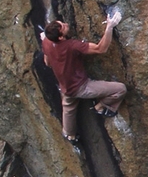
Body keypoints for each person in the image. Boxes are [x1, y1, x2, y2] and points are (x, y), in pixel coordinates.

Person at [42, 12, 127, 145]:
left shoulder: (46, 41)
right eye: (63, 26)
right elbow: (100, 49)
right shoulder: (72, 45)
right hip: (81, 86)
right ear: (61, 37)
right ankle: (102, 106)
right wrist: (110, 27)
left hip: (65, 86)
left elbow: (47, 62)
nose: (65, 24)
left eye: (61, 23)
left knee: (68, 107)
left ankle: (69, 135)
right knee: (120, 89)